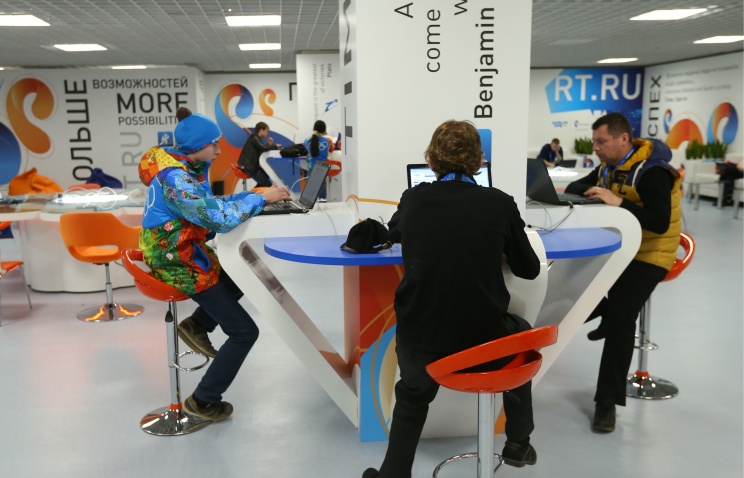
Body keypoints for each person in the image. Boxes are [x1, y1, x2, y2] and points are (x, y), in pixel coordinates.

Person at [362, 120, 541, 478]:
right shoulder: (500, 203)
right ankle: (518, 443)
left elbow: (394, 232)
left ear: (431, 161)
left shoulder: (413, 200)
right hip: (483, 340)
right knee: (521, 336)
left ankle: (393, 474)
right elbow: (529, 269)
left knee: (411, 397)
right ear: (479, 162)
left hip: (421, 340)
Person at [138, 107, 290, 422]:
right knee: (244, 332)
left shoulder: (185, 165)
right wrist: (259, 200)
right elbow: (216, 219)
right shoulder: (176, 179)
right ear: (195, 147)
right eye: (214, 145)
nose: (219, 151)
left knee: (244, 269)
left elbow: (211, 206)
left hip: (181, 251)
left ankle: (197, 324)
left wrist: (257, 196)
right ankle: (203, 401)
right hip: (175, 261)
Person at [564, 112, 681, 433]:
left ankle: (607, 402)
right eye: (595, 142)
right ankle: (603, 308)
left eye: (601, 141)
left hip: (651, 254)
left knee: (621, 320)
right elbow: (579, 185)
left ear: (623, 139)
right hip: (620, 248)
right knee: (573, 282)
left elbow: (658, 222)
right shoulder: (609, 167)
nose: (596, 147)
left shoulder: (653, 172)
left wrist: (618, 202)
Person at [237, 121, 281, 187]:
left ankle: (256, 193)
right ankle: (255, 195)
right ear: (261, 130)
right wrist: (275, 146)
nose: (267, 133)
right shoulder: (254, 138)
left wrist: (269, 144)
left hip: (251, 166)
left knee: (266, 175)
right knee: (268, 184)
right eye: (266, 131)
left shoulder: (256, 138)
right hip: (249, 167)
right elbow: (263, 147)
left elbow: (262, 148)